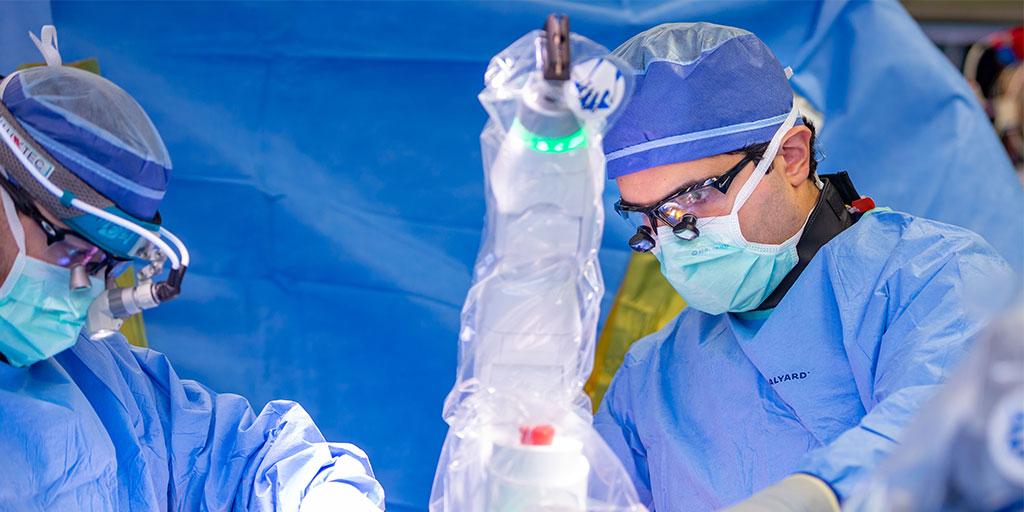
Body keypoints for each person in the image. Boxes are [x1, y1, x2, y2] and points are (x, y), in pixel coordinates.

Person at [592, 22, 1017, 512]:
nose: (673, 237)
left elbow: (948, 422)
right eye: (649, 218)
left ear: (792, 157)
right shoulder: (653, 378)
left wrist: (817, 496)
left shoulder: (935, 278)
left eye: (693, 197)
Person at [0, 27, 384, 511]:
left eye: (107, 266)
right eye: (76, 252)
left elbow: (242, 459)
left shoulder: (90, 370)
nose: (86, 289)